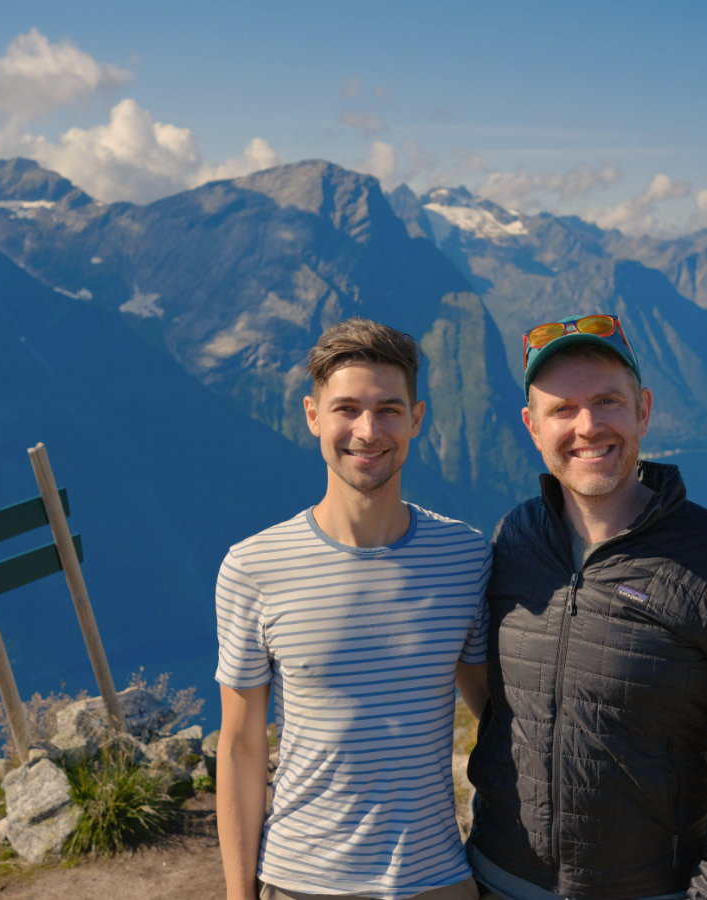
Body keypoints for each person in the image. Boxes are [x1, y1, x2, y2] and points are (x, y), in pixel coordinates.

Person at [461, 314, 707, 900]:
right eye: (561, 409)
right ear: (532, 427)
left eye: (606, 401)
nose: (587, 426)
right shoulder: (514, 539)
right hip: (495, 879)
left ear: (643, 409)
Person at [215, 317, 491, 900]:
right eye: (346, 408)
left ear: (417, 419)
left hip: (437, 881)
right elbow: (240, 746)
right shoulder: (252, 567)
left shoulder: (466, 557)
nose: (368, 431)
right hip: (300, 883)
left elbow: (498, 718)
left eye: (389, 409)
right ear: (313, 415)